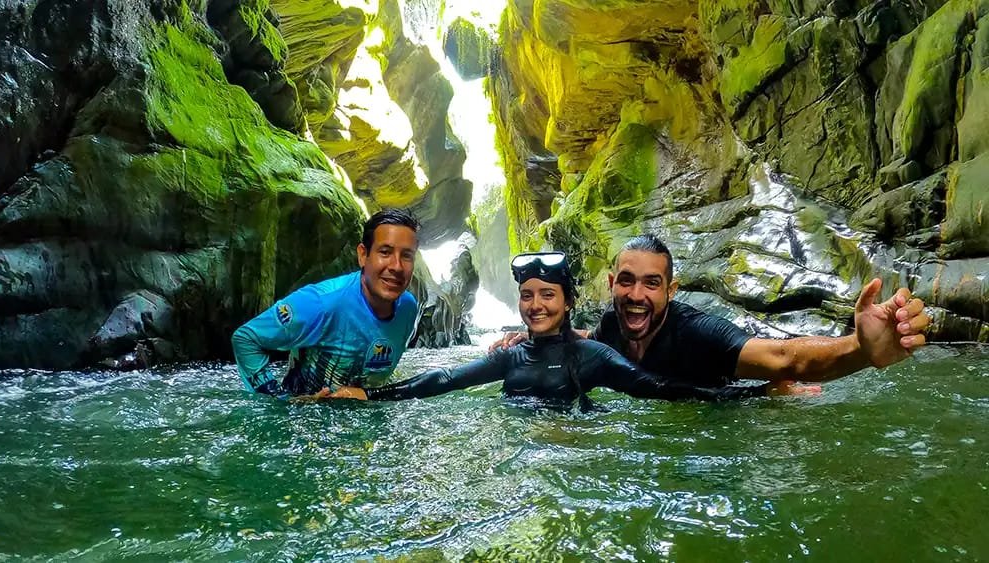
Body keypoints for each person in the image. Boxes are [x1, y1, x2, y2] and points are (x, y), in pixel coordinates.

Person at [299, 252, 802, 407]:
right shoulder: (509, 355)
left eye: (548, 295)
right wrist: (368, 394)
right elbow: (443, 381)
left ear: (567, 303)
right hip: (523, 467)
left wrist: (756, 394)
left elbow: (663, 389)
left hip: (576, 454)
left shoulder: (594, 357)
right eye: (527, 295)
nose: (535, 306)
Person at [493, 234, 930, 388]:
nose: (636, 295)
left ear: (671, 290)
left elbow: (785, 357)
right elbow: (588, 341)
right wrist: (532, 339)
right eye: (626, 281)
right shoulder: (611, 324)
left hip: (733, 413)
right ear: (611, 285)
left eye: (652, 283)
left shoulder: (699, 333)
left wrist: (859, 348)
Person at [232, 208, 420, 397]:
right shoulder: (321, 303)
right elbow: (246, 338)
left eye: (407, 256)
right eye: (385, 252)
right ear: (363, 255)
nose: (397, 266)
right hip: (304, 419)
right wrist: (280, 400)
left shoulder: (408, 309)